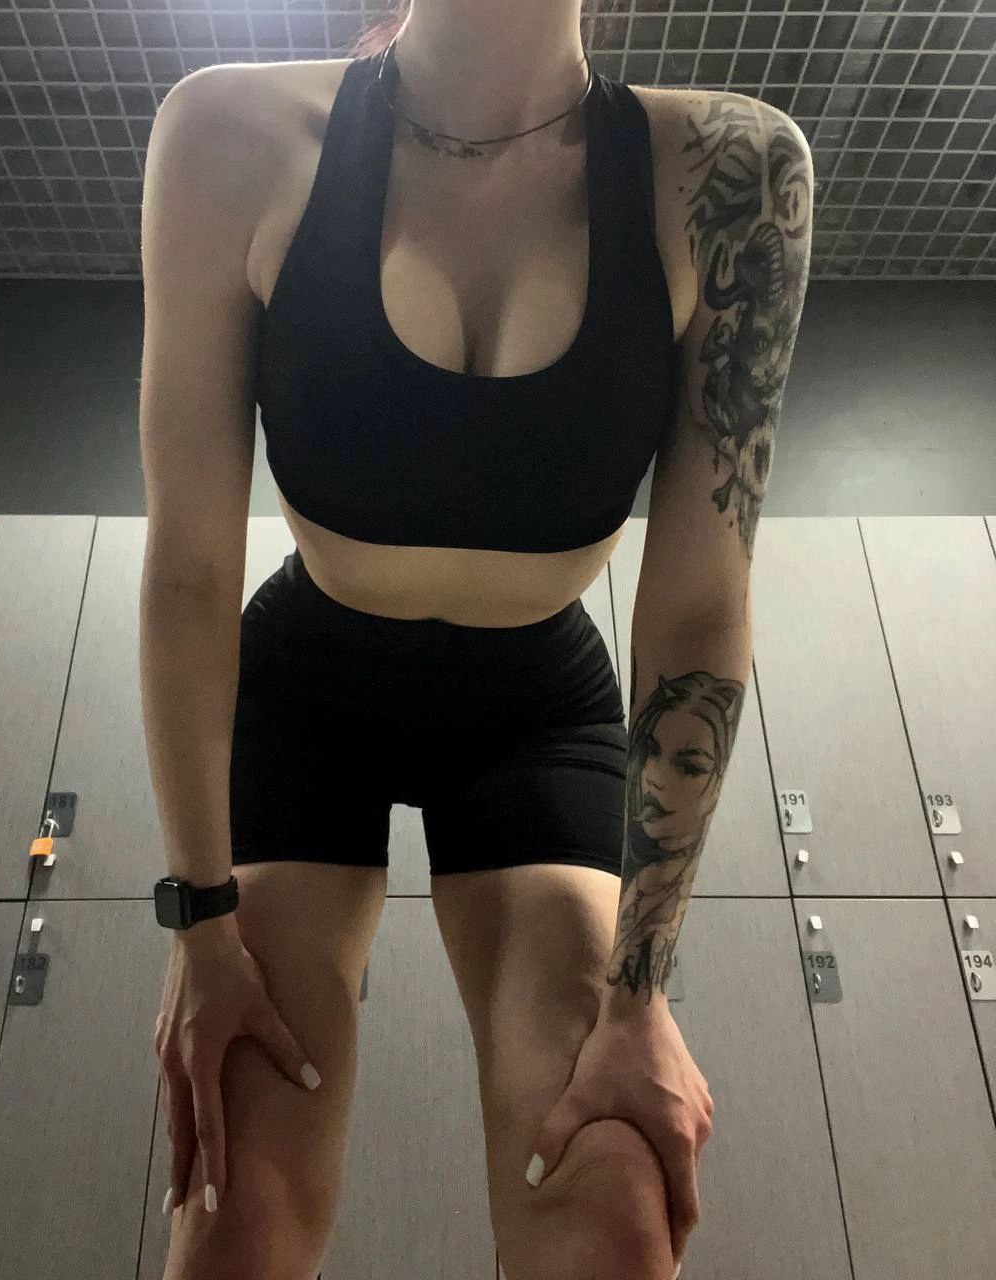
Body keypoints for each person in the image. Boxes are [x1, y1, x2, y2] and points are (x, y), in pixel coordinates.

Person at [138, 1, 813, 1277]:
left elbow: (699, 606)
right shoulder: (229, 132)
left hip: (535, 706)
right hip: (307, 688)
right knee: (235, 1217)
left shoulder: (731, 172)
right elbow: (186, 569)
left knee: (614, 1200)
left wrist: (639, 994)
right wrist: (202, 926)